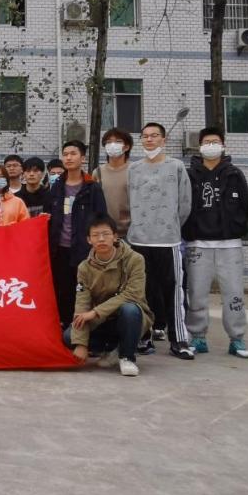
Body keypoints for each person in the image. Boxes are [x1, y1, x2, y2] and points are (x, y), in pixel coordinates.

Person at [183, 127, 248, 358]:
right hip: (198, 243)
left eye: (215, 141)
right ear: (199, 146)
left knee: (234, 293)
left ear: (223, 146)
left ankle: (237, 339)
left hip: (229, 244)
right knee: (196, 293)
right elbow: (183, 204)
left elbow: (245, 205)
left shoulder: (234, 174)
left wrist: (236, 227)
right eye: (206, 142)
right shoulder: (189, 174)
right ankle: (198, 336)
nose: (210, 145)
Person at [127, 122, 194, 359]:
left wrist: (171, 225)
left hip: (168, 240)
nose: (149, 140)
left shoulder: (176, 166)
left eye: (154, 136)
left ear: (163, 140)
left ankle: (179, 340)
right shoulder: (134, 169)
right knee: (141, 291)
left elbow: (185, 204)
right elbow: (130, 200)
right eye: (145, 136)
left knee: (173, 291)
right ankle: (143, 336)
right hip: (138, 240)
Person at [68, 215, 152, 377]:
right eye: (95, 235)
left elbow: (132, 294)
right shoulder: (84, 268)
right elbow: (82, 303)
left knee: (129, 310)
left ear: (115, 236)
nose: (101, 239)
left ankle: (127, 356)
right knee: (68, 337)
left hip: (130, 316)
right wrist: (81, 344)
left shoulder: (135, 259)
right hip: (103, 320)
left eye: (106, 234)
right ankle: (111, 349)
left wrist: (95, 312)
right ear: (89, 240)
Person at [48, 140, 107, 332]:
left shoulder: (92, 187)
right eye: (65, 154)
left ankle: (85, 331)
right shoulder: (56, 186)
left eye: (73, 154)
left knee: (83, 291)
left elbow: (101, 219)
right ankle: (66, 329)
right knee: (62, 291)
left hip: (84, 250)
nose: (68, 158)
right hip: (60, 250)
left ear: (83, 158)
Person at [92, 127, 133, 240]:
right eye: (108, 142)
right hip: (105, 233)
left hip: (130, 233)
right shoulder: (98, 172)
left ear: (127, 147)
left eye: (118, 141)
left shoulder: (135, 170)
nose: (113, 145)